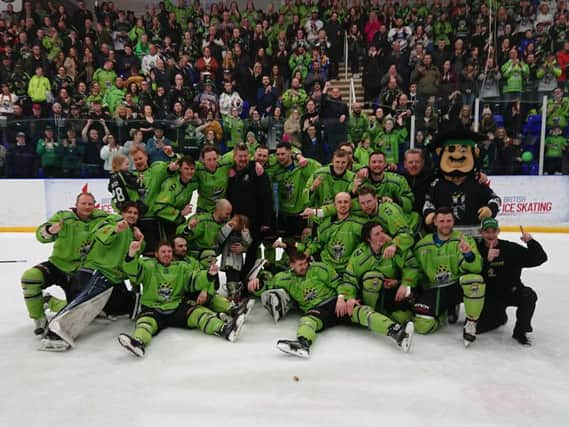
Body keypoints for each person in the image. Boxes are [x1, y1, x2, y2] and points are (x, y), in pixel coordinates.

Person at [247, 251, 414, 358]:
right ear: (291, 265)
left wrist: (344, 298)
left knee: (363, 312)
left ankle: (396, 332)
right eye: (300, 265)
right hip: (316, 310)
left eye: (305, 263)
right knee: (307, 322)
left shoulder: (321, 268)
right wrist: (256, 285)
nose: (304, 267)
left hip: (335, 302)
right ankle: (303, 344)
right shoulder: (283, 278)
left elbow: (341, 284)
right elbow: (266, 288)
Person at [39, 201, 143, 351]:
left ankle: (53, 302)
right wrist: (115, 229)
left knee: (121, 307)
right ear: (122, 213)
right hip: (96, 271)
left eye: (135, 213)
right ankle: (55, 333)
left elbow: (130, 263)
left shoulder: (133, 234)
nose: (132, 215)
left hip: (113, 278)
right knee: (87, 301)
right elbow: (101, 235)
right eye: (129, 212)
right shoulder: (113, 221)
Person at [118, 240, 245, 358]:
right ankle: (138, 342)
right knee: (145, 324)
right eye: (163, 252)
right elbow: (133, 270)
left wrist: (208, 274)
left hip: (176, 306)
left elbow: (193, 279)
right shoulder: (148, 266)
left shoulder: (181, 267)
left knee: (199, 314)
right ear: (156, 254)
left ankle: (225, 329)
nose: (167, 254)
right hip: (153, 307)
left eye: (169, 251)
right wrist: (131, 254)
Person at [20, 193, 108, 336]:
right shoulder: (63, 217)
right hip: (58, 265)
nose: (87, 207)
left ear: (95, 205)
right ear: (76, 204)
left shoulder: (101, 218)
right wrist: (50, 230)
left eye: (90, 204)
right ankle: (39, 318)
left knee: (79, 311)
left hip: (82, 272)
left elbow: (120, 222)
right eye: (83, 203)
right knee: (30, 278)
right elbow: (40, 235)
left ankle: (52, 302)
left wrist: (133, 229)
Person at [412, 207, 486, 346]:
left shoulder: (464, 240)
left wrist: (468, 255)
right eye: (441, 221)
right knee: (422, 326)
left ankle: (471, 322)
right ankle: (444, 315)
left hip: (457, 286)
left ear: (453, 221)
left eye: (448, 220)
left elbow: (477, 268)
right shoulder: (422, 245)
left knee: (474, 280)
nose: (445, 224)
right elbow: (417, 271)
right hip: (436, 289)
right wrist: (413, 289)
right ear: (434, 222)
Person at [476, 219, 547, 345]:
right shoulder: (477, 250)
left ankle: (520, 332)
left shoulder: (510, 248)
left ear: (498, 231)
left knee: (528, 295)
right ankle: (499, 316)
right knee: (478, 329)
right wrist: (487, 261)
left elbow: (540, 258)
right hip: (490, 296)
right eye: (487, 232)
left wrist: (531, 242)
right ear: (481, 233)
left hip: (512, 291)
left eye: (494, 231)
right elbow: (472, 273)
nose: (491, 235)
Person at [342, 221, 418, 324]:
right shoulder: (359, 256)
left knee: (404, 319)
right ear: (368, 239)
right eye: (377, 234)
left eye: (382, 232)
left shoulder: (393, 247)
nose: (382, 236)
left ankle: (384, 314)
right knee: (372, 278)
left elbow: (412, 266)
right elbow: (349, 278)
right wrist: (350, 297)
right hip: (368, 295)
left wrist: (404, 283)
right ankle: (370, 315)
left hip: (391, 293)